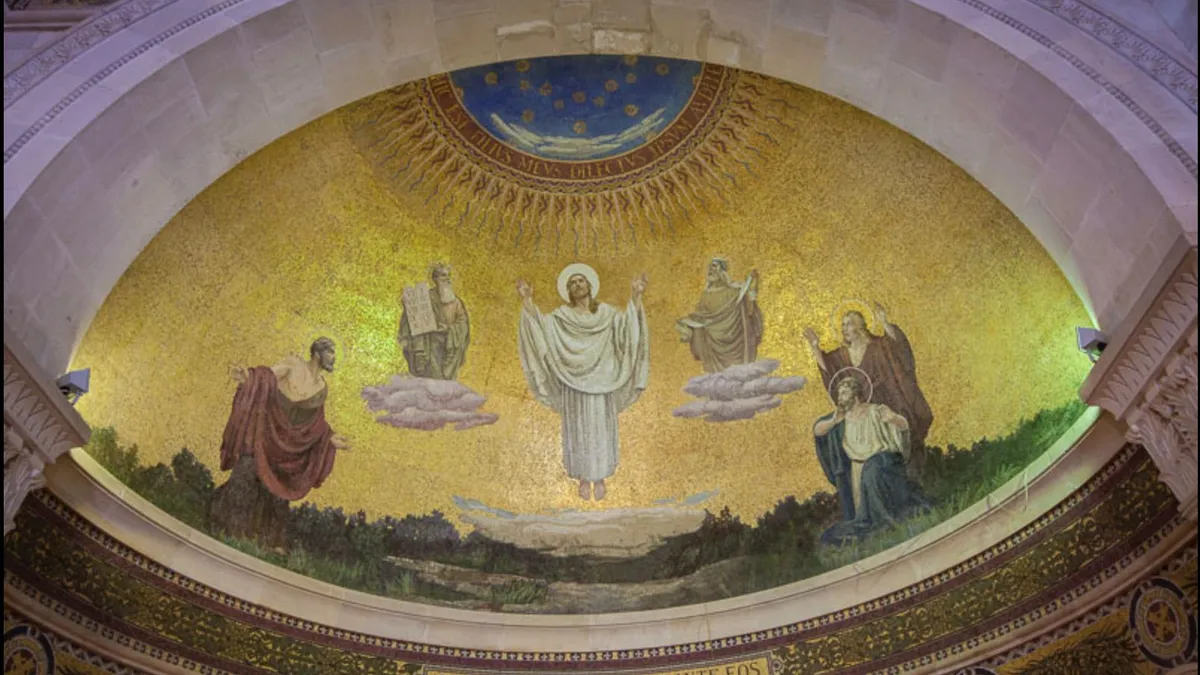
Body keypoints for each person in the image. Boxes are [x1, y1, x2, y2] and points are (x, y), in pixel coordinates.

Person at [516, 264, 650, 501]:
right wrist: (527, 301)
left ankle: (600, 478)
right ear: (568, 290)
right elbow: (541, 329)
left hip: (602, 382)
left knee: (600, 430)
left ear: (589, 285)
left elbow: (627, 330)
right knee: (579, 430)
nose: (577, 285)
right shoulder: (561, 317)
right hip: (573, 382)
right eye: (572, 283)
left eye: (581, 281)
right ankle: (583, 479)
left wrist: (636, 296)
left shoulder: (606, 314)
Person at [211, 338, 350, 550]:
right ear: (317, 354)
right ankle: (228, 530)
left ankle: (268, 543)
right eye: (330, 352)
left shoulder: (322, 387)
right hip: (265, 436)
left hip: (289, 451)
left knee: (279, 494)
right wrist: (248, 378)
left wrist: (329, 438)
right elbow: (266, 377)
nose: (333, 358)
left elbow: (316, 424)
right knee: (245, 480)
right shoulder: (294, 364)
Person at [804, 303, 933, 479]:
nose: (844, 328)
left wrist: (884, 322)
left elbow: (899, 348)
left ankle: (906, 474)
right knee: (837, 432)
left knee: (900, 429)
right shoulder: (842, 355)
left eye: (849, 323)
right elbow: (829, 370)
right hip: (861, 409)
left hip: (887, 402)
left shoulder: (878, 346)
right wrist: (815, 346)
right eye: (842, 324)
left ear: (860, 326)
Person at [813, 375, 929, 544]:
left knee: (874, 475)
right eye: (839, 394)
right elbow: (818, 431)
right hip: (858, 473)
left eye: (844, 393)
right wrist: (833, 421)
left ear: (855, 393)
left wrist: (894, 419)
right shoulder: (841, 420)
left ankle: (887, 521)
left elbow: (903, 426)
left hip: (882, 468)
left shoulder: (875, 411)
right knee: (865, 516)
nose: (840, 398)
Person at [675, 257, 763, 373]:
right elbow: (702, 314)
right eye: (709, 268)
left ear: (722, 272)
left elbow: (740, 297)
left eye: (714, 267)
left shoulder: (731, 291)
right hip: (711, 338)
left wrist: (750, 282)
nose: (710, 270)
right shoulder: (706, 294)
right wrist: (690, 324)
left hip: (732, 338)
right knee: (682, 323)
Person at [398, 263, 470, 380]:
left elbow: (463, 324)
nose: (447, 278)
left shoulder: (456, 302)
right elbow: (411, 321)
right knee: (431, 380)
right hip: (429, 346)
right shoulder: (424, 298)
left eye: (448, 275)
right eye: (443, 275)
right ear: (434, 278)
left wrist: (448, 329)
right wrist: (409, 306)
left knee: (443, 383)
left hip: (448, 347)